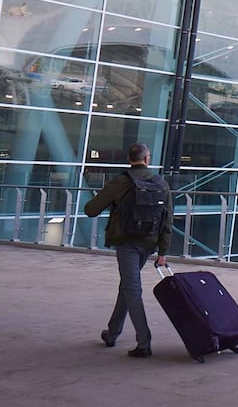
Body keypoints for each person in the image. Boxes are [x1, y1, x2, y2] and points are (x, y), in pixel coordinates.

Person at [84, 142, 172, 358]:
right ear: (147, 159)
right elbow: (167, 219)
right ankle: (112, 333)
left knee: (132, 288)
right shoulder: (160, 182)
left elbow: (91, 210)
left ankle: (144, 342)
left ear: (129, 158)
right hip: (149, 243)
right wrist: (163, 252)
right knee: (128, 285)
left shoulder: (121, 181)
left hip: (126, 242)